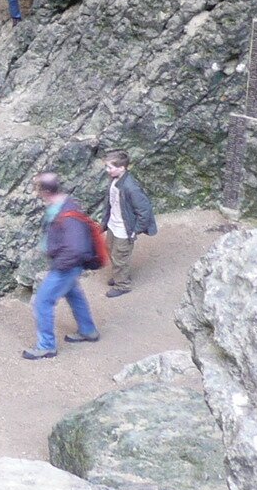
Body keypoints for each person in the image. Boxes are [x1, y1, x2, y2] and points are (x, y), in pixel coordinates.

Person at [23, 172, 101, 360]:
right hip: (68, 264)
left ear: (45, 191)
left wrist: (59, 265)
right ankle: (88, 330)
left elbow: (77, 248)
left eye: (37, 188)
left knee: (42, 302)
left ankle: (46, 346)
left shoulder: (66, 214)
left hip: (65, 265)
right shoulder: (64, 205)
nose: (36, 192)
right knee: (74, 295)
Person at [97, 151, 158, 298]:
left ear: (122, 168)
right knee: (111, 250)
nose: (107, 170)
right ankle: (120, 275)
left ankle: (123, 284)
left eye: (110, 167)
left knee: (120, 256)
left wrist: (135, 230)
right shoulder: (114, 180)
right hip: (114, 224)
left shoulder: (131, 187)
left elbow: (145, 210)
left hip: (125, 229)